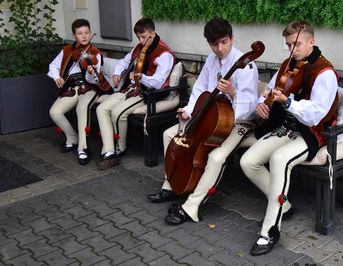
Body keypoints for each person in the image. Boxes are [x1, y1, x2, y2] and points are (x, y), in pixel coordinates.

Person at [147, 17, 259, 226]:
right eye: (214, 44)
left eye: (224, 42)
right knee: (169, 134)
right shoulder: (211, 59)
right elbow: (200, 89)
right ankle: (171, 185)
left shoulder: (246, 65)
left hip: (239, 122)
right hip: (211, 114)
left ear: (232, 39)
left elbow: (251, 107)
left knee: (216, 157)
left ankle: (192, 206)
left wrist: (233, 93)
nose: (219, 48)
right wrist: (189, 111)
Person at [240, 20, 339, 256]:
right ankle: (284, 205)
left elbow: (316, 114)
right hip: (287, 126)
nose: (292, 50)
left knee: (279, 159)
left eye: (297, 44)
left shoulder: (325, 73)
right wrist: (263, 103)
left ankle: (269, 231)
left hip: (311, 132)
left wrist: (289, 102)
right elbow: (270, 91)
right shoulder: (288, 64)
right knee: (247, 161)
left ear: (311, 42)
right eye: (288, 45)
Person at [96, 18, 175, 170]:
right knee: (101, 109)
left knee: (117, 112)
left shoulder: (164, 54)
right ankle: (109, 151)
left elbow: (158, 82)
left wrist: (142, 77)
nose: (141, 41)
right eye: (139, 37)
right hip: (132, 89)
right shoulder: (139, 47)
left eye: (144, 37)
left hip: (147, 93)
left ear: (153, 34)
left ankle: (121, 148)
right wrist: (117, 73)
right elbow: (124, 62)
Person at [48, 18, 113, 165]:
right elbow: (53, 66)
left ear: (90, 33)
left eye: (86, 33)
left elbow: (94, 79)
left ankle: (83, 149)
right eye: (80, 33)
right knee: (54, 112)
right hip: (72, 88)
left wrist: (91, 71)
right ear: (74, 35)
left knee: (81, 108)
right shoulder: (67, 50)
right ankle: (72, 138)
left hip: (90, 88)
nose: (84, 36)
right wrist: (57, 77)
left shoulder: (95, 53)